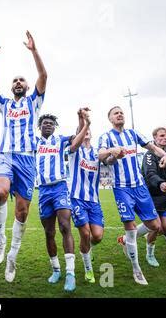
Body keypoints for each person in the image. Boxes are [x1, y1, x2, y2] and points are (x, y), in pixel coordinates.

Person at [0, 31, 47, 282]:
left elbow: (44, 76)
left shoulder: (34, 103)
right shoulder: (5, 105)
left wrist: (34, 51)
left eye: (22, 80)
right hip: (6, 155)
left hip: (28, 160)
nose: (18, 82)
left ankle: (12, 256)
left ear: (28, 86)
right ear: (11, 87)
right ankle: (0, 238)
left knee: (22, 212)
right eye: (15, 81)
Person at [98, 106, 166, 285]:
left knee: (155, 225)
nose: (120, 114)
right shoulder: (106, 137)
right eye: (116, 113)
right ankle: (136, 270)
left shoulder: (132, 133)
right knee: (130, 227)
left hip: (139, 186)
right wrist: (112, 153)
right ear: (110, 119)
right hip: (122, 189)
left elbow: (152, 147)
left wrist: (165, 155)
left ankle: (124, 241)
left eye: (121, 112)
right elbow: (101, 156)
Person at [36, 110, 90, 292]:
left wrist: (81, 119)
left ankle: (70, 273)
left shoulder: (60, 140)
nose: (48, 125)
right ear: (40, 127)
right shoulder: (34, 143)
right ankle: (56, 269)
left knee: (65, 227)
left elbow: (78, 137)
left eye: (51, 123)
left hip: (59, 188)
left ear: (55, 127)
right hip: (43, 190)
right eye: (45, 123)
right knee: (49, 232)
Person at [68, 119, 104, 284]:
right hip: (77, 199)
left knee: (97, 237)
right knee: (85, 233)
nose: (85, 131)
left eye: (88, 129)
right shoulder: (74, 151)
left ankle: (85, 248)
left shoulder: (97, 152)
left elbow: (108, 160)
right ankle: (88, 269)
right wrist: (85, 123)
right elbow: (75, 144)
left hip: (94, 201)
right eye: (81, 130)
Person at [141, 127, 166, 266]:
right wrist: (160, 183)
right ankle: (150, 254)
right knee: (156, 227)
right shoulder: (149, 154)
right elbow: (150, 174)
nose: (165, 137)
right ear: (154, 138)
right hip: (151, 196)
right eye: (161, 135)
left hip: (165, 197)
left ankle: (126, 238)